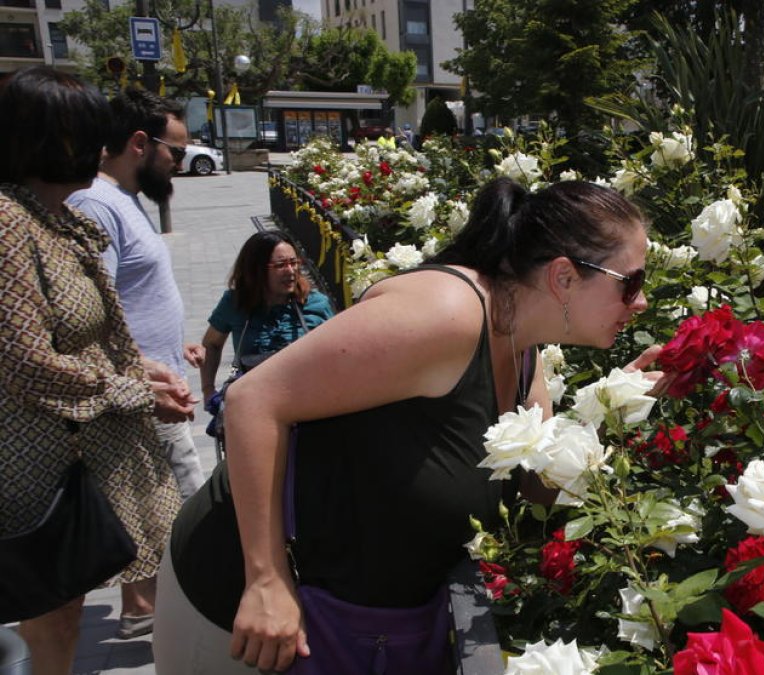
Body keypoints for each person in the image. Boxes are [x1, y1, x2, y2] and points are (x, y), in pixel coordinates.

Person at [154, 177, 666, 673]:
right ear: (564, 276)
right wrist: (265, 580)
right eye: (632, 282)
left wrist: (613, 410)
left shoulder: (522, 347)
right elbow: (251, 400)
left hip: (344, 619)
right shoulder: (445, 314)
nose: (642, 302)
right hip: (237, 605)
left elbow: (536, 487)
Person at [0, 66, 191, 675]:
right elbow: (26, 363)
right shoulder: (9, 224)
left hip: (78, 450)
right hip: (42, 463)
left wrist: (142, 369)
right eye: (84, 135)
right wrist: (132, 389)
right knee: (55, 611)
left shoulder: (52, 216)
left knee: (65, 607)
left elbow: (97, 328)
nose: (97, 150)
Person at [66, 87, 206, 641]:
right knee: (189, 510)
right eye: (174, 150)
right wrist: (143, 372)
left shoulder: (124, 198)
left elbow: (134, 293)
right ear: (139, 143)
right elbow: (90, 310)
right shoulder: (98, 205)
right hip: (140, 392)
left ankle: (145, 608)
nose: (178, 161)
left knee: (147, 509)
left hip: (155, 380)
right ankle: (188, 616)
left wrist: (177, 346)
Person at [198, 230, 335, 407]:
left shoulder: (316, 303)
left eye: (294, 263)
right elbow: (211, 344)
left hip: (308, 407)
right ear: (256, 269)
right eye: (280, 265)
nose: (291, 271)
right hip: (254, 408)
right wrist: (208, 391)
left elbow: (337, 351)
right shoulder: (236, 303)